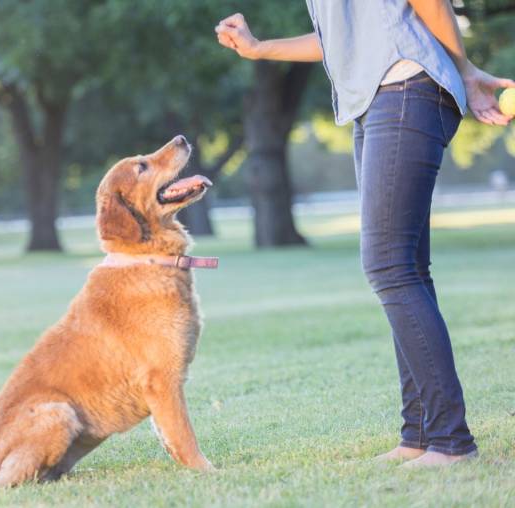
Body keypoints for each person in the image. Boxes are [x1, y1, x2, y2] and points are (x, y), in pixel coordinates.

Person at [215, 0, 514, 467]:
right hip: (378, 98)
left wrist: (465, 67)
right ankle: (419, 434)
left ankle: (452, 441)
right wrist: (258, 49)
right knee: (406, 268)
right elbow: (344, 39)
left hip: (407, 87)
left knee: (388, 265)